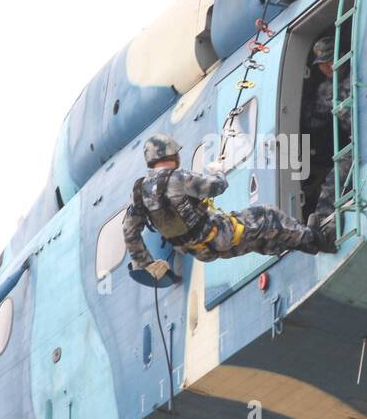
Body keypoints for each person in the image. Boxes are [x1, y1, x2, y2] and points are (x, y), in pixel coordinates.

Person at [124, 134, 334, 281]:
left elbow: (129, 231)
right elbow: (217, 186)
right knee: (267, 215)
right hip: (218, 235)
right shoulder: (177, 177)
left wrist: (145, 263)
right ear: (171, 155)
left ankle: (303, 245)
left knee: (259, 241)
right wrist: (218, 171)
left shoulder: (139, 193)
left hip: (201, 252)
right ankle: (313, 238)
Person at [303, 36, 353, 230]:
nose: (327, 67)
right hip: (354, 142)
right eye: (322, 65)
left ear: (342, 56)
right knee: (335, 179)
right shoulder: (326, 90)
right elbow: (313, 120)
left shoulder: (361, 69)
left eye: (330, 61)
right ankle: (324, 226)